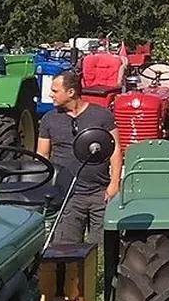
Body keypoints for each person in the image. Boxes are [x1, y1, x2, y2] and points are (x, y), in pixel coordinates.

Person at [38, 70, 123, 245]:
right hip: (67, 196)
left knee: (105, 247)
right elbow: (42, 156)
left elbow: (115, 149)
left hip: (100, 193)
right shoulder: (49, 120)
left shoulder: (102, 116)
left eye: (55, 91)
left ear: (71, 92)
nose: (50, 95)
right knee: (66, 249)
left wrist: (114, 184)